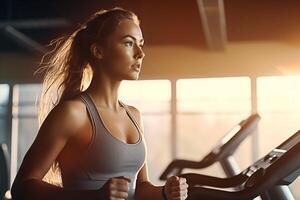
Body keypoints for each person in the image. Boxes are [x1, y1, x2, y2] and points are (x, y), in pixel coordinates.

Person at [11, 7, 189, 200]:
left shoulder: (134, 115)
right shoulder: (73, 113)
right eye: (129, 43)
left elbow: (140, 189)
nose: (140, 54)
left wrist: (165, 192)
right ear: (98, 51)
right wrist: (94, 197)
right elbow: (22, 187)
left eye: (141, 44)